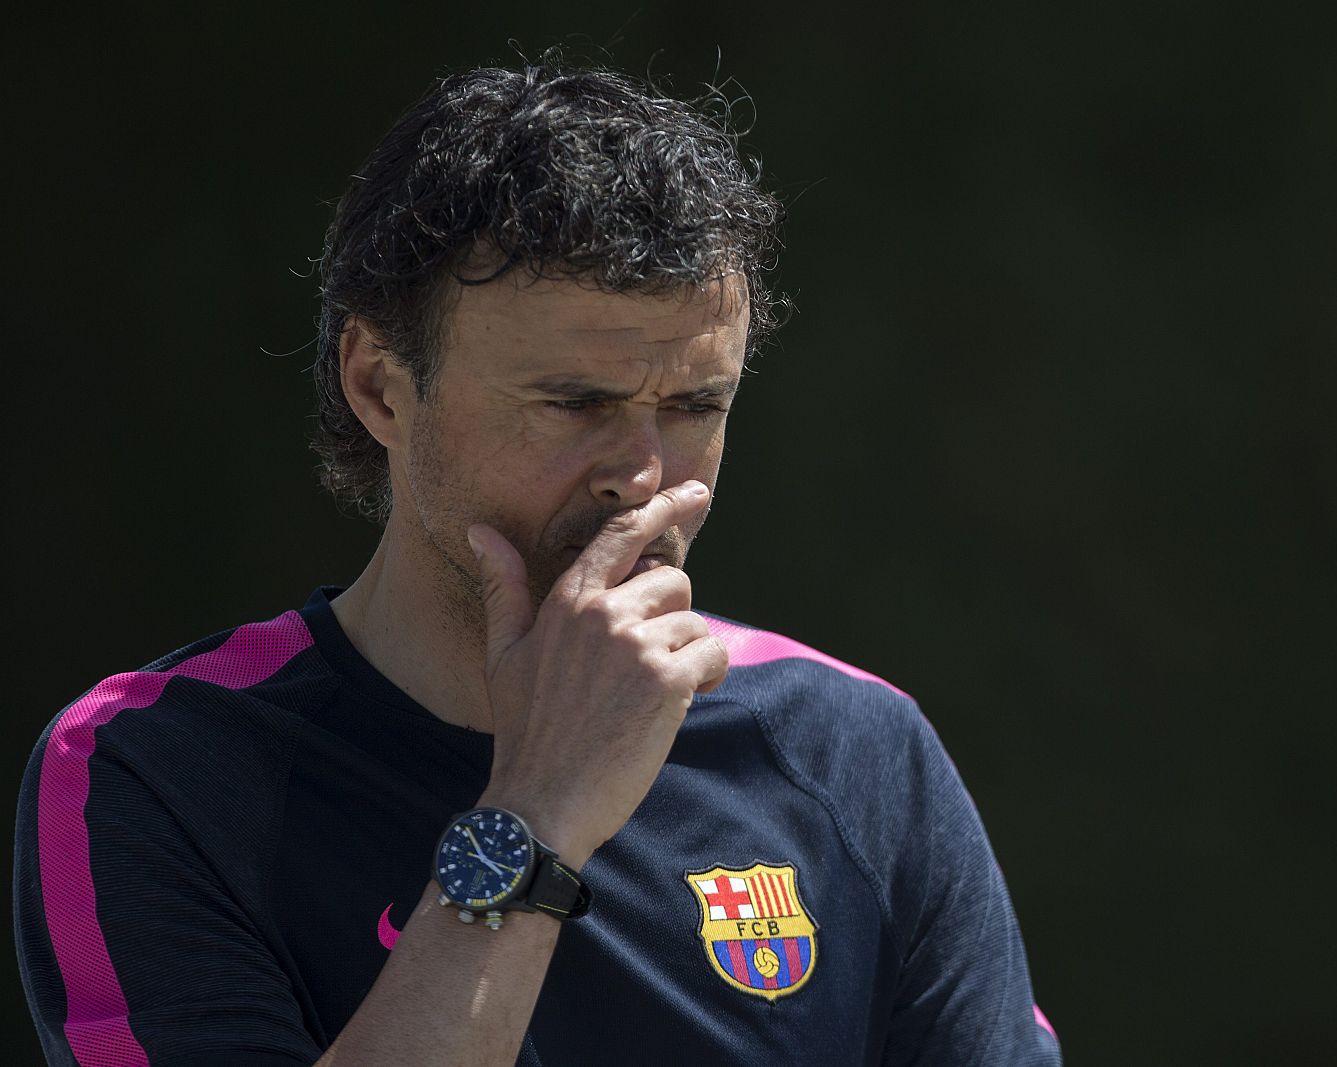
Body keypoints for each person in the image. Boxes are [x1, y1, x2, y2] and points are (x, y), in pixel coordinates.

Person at [14, 56, 1062, 1067]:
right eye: (573, 404)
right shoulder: (155, 767)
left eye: (695, 406)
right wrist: (534, 813)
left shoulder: (850, 747)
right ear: (380, 385)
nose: (640, 475)